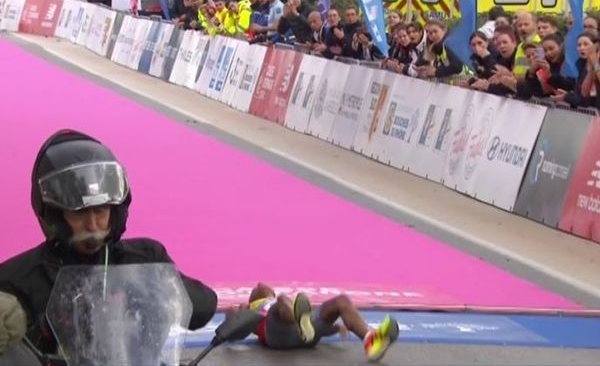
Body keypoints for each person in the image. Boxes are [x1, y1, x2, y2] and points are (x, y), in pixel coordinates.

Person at [0, 130, 217, 360]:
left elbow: (203, 309)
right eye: (80, 212)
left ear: (115, 211)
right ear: (54, 214)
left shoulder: (144, 258)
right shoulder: (17, 279)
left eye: (101, 210)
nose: (93, 225)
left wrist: (162, 291)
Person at [230, 283, 399, 362]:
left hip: (306, 332)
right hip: (276, 334)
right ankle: (299, 321)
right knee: (283, 301)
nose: (259, 286)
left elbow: (323, 329)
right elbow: (233, 327)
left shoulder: (276, 299)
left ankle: (371, 340)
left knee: (341, 301)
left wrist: (334, 328)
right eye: (255, 289)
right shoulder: (249, 308)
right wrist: (237, 314)